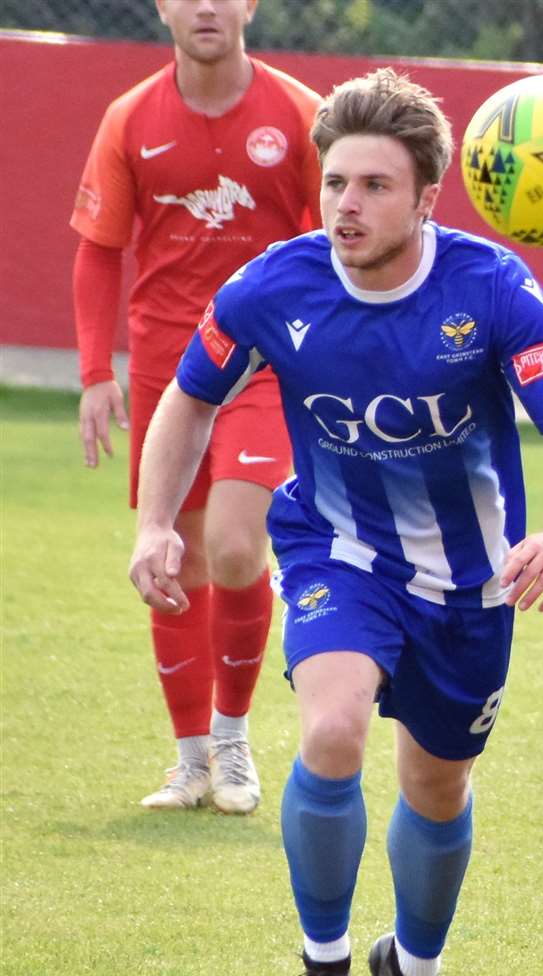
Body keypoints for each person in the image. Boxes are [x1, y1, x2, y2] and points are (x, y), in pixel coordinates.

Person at [128, 68, 543, 976]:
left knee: (435, 783)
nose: (347, 205)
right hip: (338, 553)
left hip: (469, 585)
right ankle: (324, 968)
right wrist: (157, 522)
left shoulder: (492, 287)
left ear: (428, 197)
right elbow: (189, 402)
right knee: (331, 732)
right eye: (336, 181)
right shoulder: (275, 287)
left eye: (375, 185)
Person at [71, 0, 323, 813]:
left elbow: (337, 242)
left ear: (250, 5)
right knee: (173, 556)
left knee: (237, 545)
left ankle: (233, 740)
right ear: (161, 6)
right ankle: (188, 762)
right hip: (167, 371)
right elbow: (99, 249)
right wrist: (92, 371)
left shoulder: (299, 115)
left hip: (263, 361)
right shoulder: (129, 118)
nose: (206, 5)